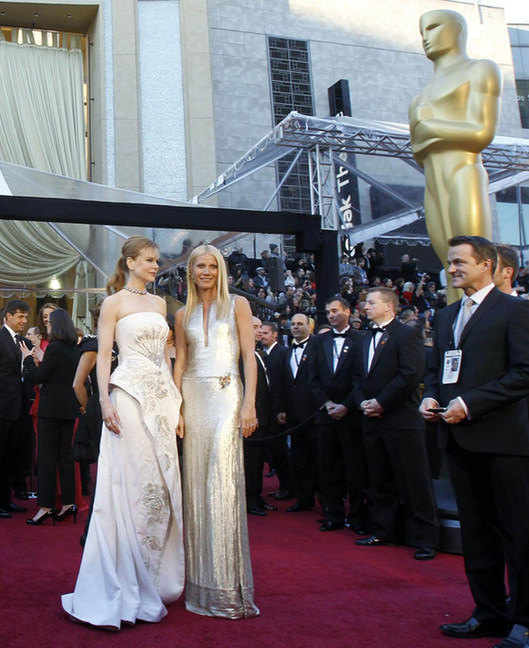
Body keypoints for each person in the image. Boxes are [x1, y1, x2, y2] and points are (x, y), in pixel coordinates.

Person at [62, 235, 184, 629]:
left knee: (160, 484)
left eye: (156, 260)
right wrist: (105, 400)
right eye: (149, 260)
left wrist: (175, 401)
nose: (155, 265)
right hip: (127, 394)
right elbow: (102, 355)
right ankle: (123, 575)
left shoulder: (160, 303)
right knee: (131, 481)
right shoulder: (113, 303)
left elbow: (165, 358)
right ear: (130, 262)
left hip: (162, 399)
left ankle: (152, 573)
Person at [420, 236, 529, 648]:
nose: (452, 269)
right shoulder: (446, 315)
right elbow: (437, 370)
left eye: (460, 262)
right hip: (460, 442)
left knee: (519, 536)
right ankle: (488, 613)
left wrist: (470, 403)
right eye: (449, 263)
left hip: (506, 444)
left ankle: (524, 620)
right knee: (478, 536)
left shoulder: (516, 311)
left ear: (487, 264)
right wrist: (432, 396)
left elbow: (524, 373)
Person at [174, 243, 259, 619]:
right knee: (196, 487)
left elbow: (248, 357)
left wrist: (249, 403)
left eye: (212, 266)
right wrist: (176, 406)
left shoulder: (238, 305)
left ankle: (229, 589)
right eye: (199, 266)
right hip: (193, 397)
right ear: (190, 271)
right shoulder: (181, 313)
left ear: (220, 270)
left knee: (222, 484)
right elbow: (180, 363)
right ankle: (202, 586)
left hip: (227, 396)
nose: (206, 271)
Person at [409, 9, 502, 302]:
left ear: (457, 30)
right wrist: (431, 131)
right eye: (423, 31)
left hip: (464, 171)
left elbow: (480, 132)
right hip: (434, 183)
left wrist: (430, 126)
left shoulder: (479, 69)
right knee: (451, 268)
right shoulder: (419, 97)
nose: (426, 37)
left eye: (434, 27)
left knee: (473, 261)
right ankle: (455, 338)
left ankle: (485, 331)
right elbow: (417, 149)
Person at [353, 288, 439, 560]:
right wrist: (363, 403)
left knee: (414, 481)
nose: (365, 306)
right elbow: (357, 378)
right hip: (372, 421)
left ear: (389, 306)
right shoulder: (365, 339)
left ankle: (426, 538)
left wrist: (382, 403)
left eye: (371, 302)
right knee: (379, 479)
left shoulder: (407, 333)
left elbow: (410, 375)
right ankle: (384, 531)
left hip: (401, 420)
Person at [309, 296, 368, 534]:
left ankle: (357, 517)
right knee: (328, 467)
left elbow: (362, 378)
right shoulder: (317, 342)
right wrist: (327, 403)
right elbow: (312, 380)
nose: (331, 315)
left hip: (351, 416)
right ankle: (332, 515)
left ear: (347, 311)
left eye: (335, 310)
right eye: (328, 312)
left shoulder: (361, 340)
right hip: (325, 416)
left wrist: (346, 405)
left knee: (355, 470)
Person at [23, 309, 80, 525]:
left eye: (48, 324)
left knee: (46, 458)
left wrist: (28, 360)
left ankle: (46, 507)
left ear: (55, 326)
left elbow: (39, 377)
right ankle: (68, 504)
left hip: (50, 410)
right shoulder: (73, 349)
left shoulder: (55, 348)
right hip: (68, 408)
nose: (46, 327)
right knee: (65, 456)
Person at [277, 313, 319, 513]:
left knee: (319, 459)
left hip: (314, 414)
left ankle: (326, 503)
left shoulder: (317, 348)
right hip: (294, 416)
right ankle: (304, 499)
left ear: (309, 326)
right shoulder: (286, 352)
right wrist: (283, 409)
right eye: (293, 324)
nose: (295, 327)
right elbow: (285, 384)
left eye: (300, 324)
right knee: (299, 459)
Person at [0, 300, 32, 518]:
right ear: (8, 316)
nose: (24, 321)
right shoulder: (1, 338)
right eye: (20, 316)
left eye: (26, 317)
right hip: (2, 407)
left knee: (10, 457)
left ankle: (5, 500)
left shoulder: (21, 341)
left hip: (17, 408)